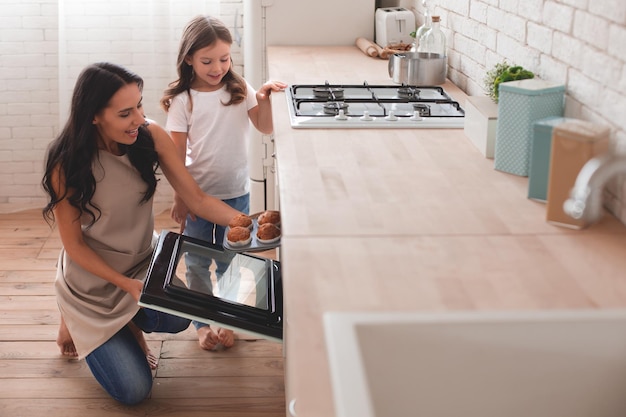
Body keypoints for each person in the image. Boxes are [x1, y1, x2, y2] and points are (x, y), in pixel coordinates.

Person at [41, 62, 243, 405]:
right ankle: (71, 313)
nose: (139, 118)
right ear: (94, 116)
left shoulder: (149, 136)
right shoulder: (67, 163)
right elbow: (74, 245)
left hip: (139, 265)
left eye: (139, 105)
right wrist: (125, 286)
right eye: (125, 113)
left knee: (180, 319)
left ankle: (131, 325)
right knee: (135, 392)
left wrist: (245, 222)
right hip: (91, 282)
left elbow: (197, 198)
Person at [160, 15, 286, 351]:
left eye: (224, 58)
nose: (218, 67)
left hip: (236, 195)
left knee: (231, 261)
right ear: (189, 58)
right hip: (197, 195)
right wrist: (180, 197)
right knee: (199, 262)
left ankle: (227, 319)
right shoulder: (183, 99)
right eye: (207, 61)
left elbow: (264, 126)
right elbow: (175, 157)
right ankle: (203, 324)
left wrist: (264, 97)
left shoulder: (238, 88)